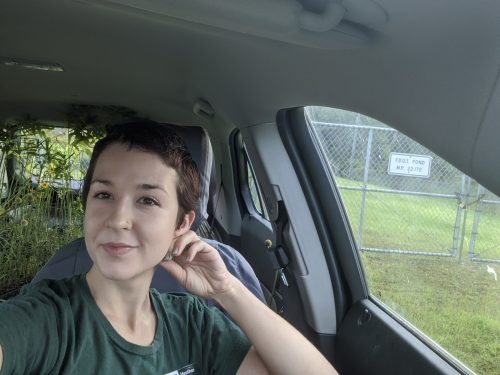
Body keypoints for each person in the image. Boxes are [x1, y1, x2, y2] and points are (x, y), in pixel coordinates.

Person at [0, 121, 338, 374]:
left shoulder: (195, 325)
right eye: (104, 194)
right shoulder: (47, 319)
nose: (118, 219)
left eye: (147, 200)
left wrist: (228, 290)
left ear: (181, 224)